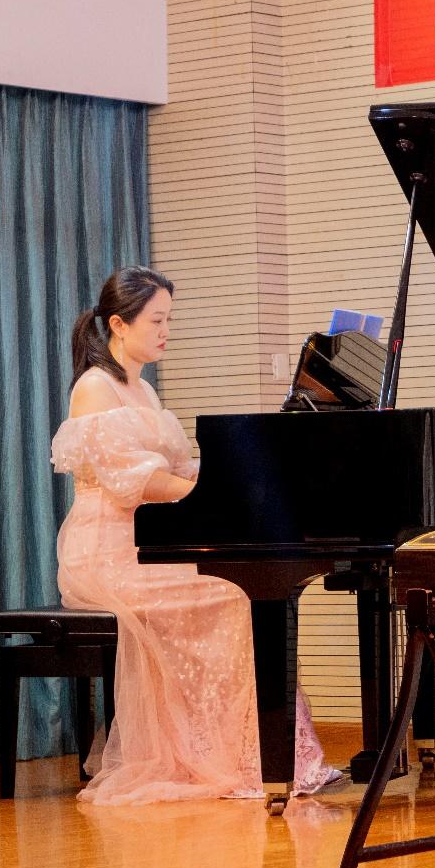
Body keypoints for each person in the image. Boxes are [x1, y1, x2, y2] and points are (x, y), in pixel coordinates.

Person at [51, 265, 340, 805]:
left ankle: (264, 754)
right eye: (156, 321)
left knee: (241, 588)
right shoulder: (95, 389)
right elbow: (133, 483)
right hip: (107, 550)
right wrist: (209, 493)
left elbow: (176, 471)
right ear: (118, 324)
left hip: (145, 542)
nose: (166, 331)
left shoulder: (142, 389)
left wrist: (231, 483)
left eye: (168, 320)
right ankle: (230, 757)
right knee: (230, 593)